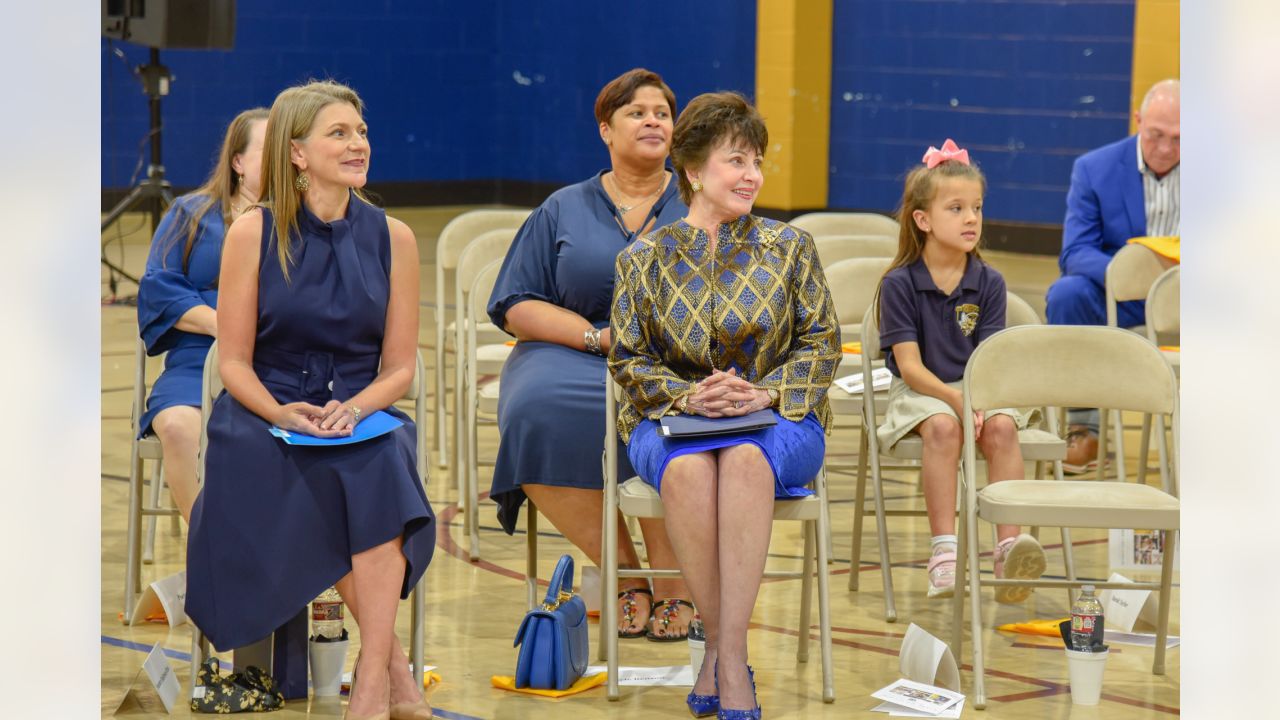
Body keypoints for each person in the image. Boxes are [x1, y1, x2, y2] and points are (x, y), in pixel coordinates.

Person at [185, 80, 435, 720]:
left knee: (377, 464)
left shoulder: (395, 238)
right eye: (340, 133)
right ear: (297, 153)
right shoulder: (251, 233)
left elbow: (400, 367)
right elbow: (234, 362)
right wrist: (278, 413)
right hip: (265, 411)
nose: (359, 145)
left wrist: (355, 409)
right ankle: (395, 672)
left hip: (360, 405)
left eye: (362, 132)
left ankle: (372, 675)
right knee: (323, 475)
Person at [609, 91, 840, 720]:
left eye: (757, 162)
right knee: (688, 468)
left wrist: (763, 391)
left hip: (780, 419)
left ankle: (726, 657)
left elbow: (824, 343)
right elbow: (627, 359)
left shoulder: (790, 248)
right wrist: (690, 394)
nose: (752, 176)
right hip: (670, 423)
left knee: (741, 460)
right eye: (736, 160)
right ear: (692, 171)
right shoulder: (642, 260)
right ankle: (724, 650)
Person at [486, 68, 696, 641]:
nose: (653, 120)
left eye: (662, 112)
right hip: (573, 348)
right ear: (606, 129)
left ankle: (674, 579)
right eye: (636, 112)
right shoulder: (563, 206)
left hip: (673, 358)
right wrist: (594, 338)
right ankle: (626, 572)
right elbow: (513, 302)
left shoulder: (700, 202)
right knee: (534, 409)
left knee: (669, 418)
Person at [873, 139, 1047, 604]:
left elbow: (989, 360)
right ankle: (944, 551)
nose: (972, 218)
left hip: (980, 386)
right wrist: (955, 399)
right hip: (924, 389)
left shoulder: (989, 281)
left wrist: (979, 401)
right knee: (944, 430)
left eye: (977, 207)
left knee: (1004, 428)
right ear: (923, 220)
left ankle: (1010, 548)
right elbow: (909, 368)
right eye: (956, 208)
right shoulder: (899, 284)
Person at [136, 107, 268, 522]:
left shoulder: (301, 219)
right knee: (176, 425)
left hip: (276, 362)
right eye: (268, 149)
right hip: (197, 360)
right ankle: (211, 552)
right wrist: (222, 326)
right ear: (237, 161)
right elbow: (159, 286)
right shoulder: (191, 213)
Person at [1045, 79, 1180, 471]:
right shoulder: (1094, 168)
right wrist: (1131, 273)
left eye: (1178, 138)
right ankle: (1082, 427)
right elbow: (1075, 252)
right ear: (1137, 121)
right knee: (1067, 294)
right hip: (1120, 296)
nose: (1167, 148)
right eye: (1156, 135)